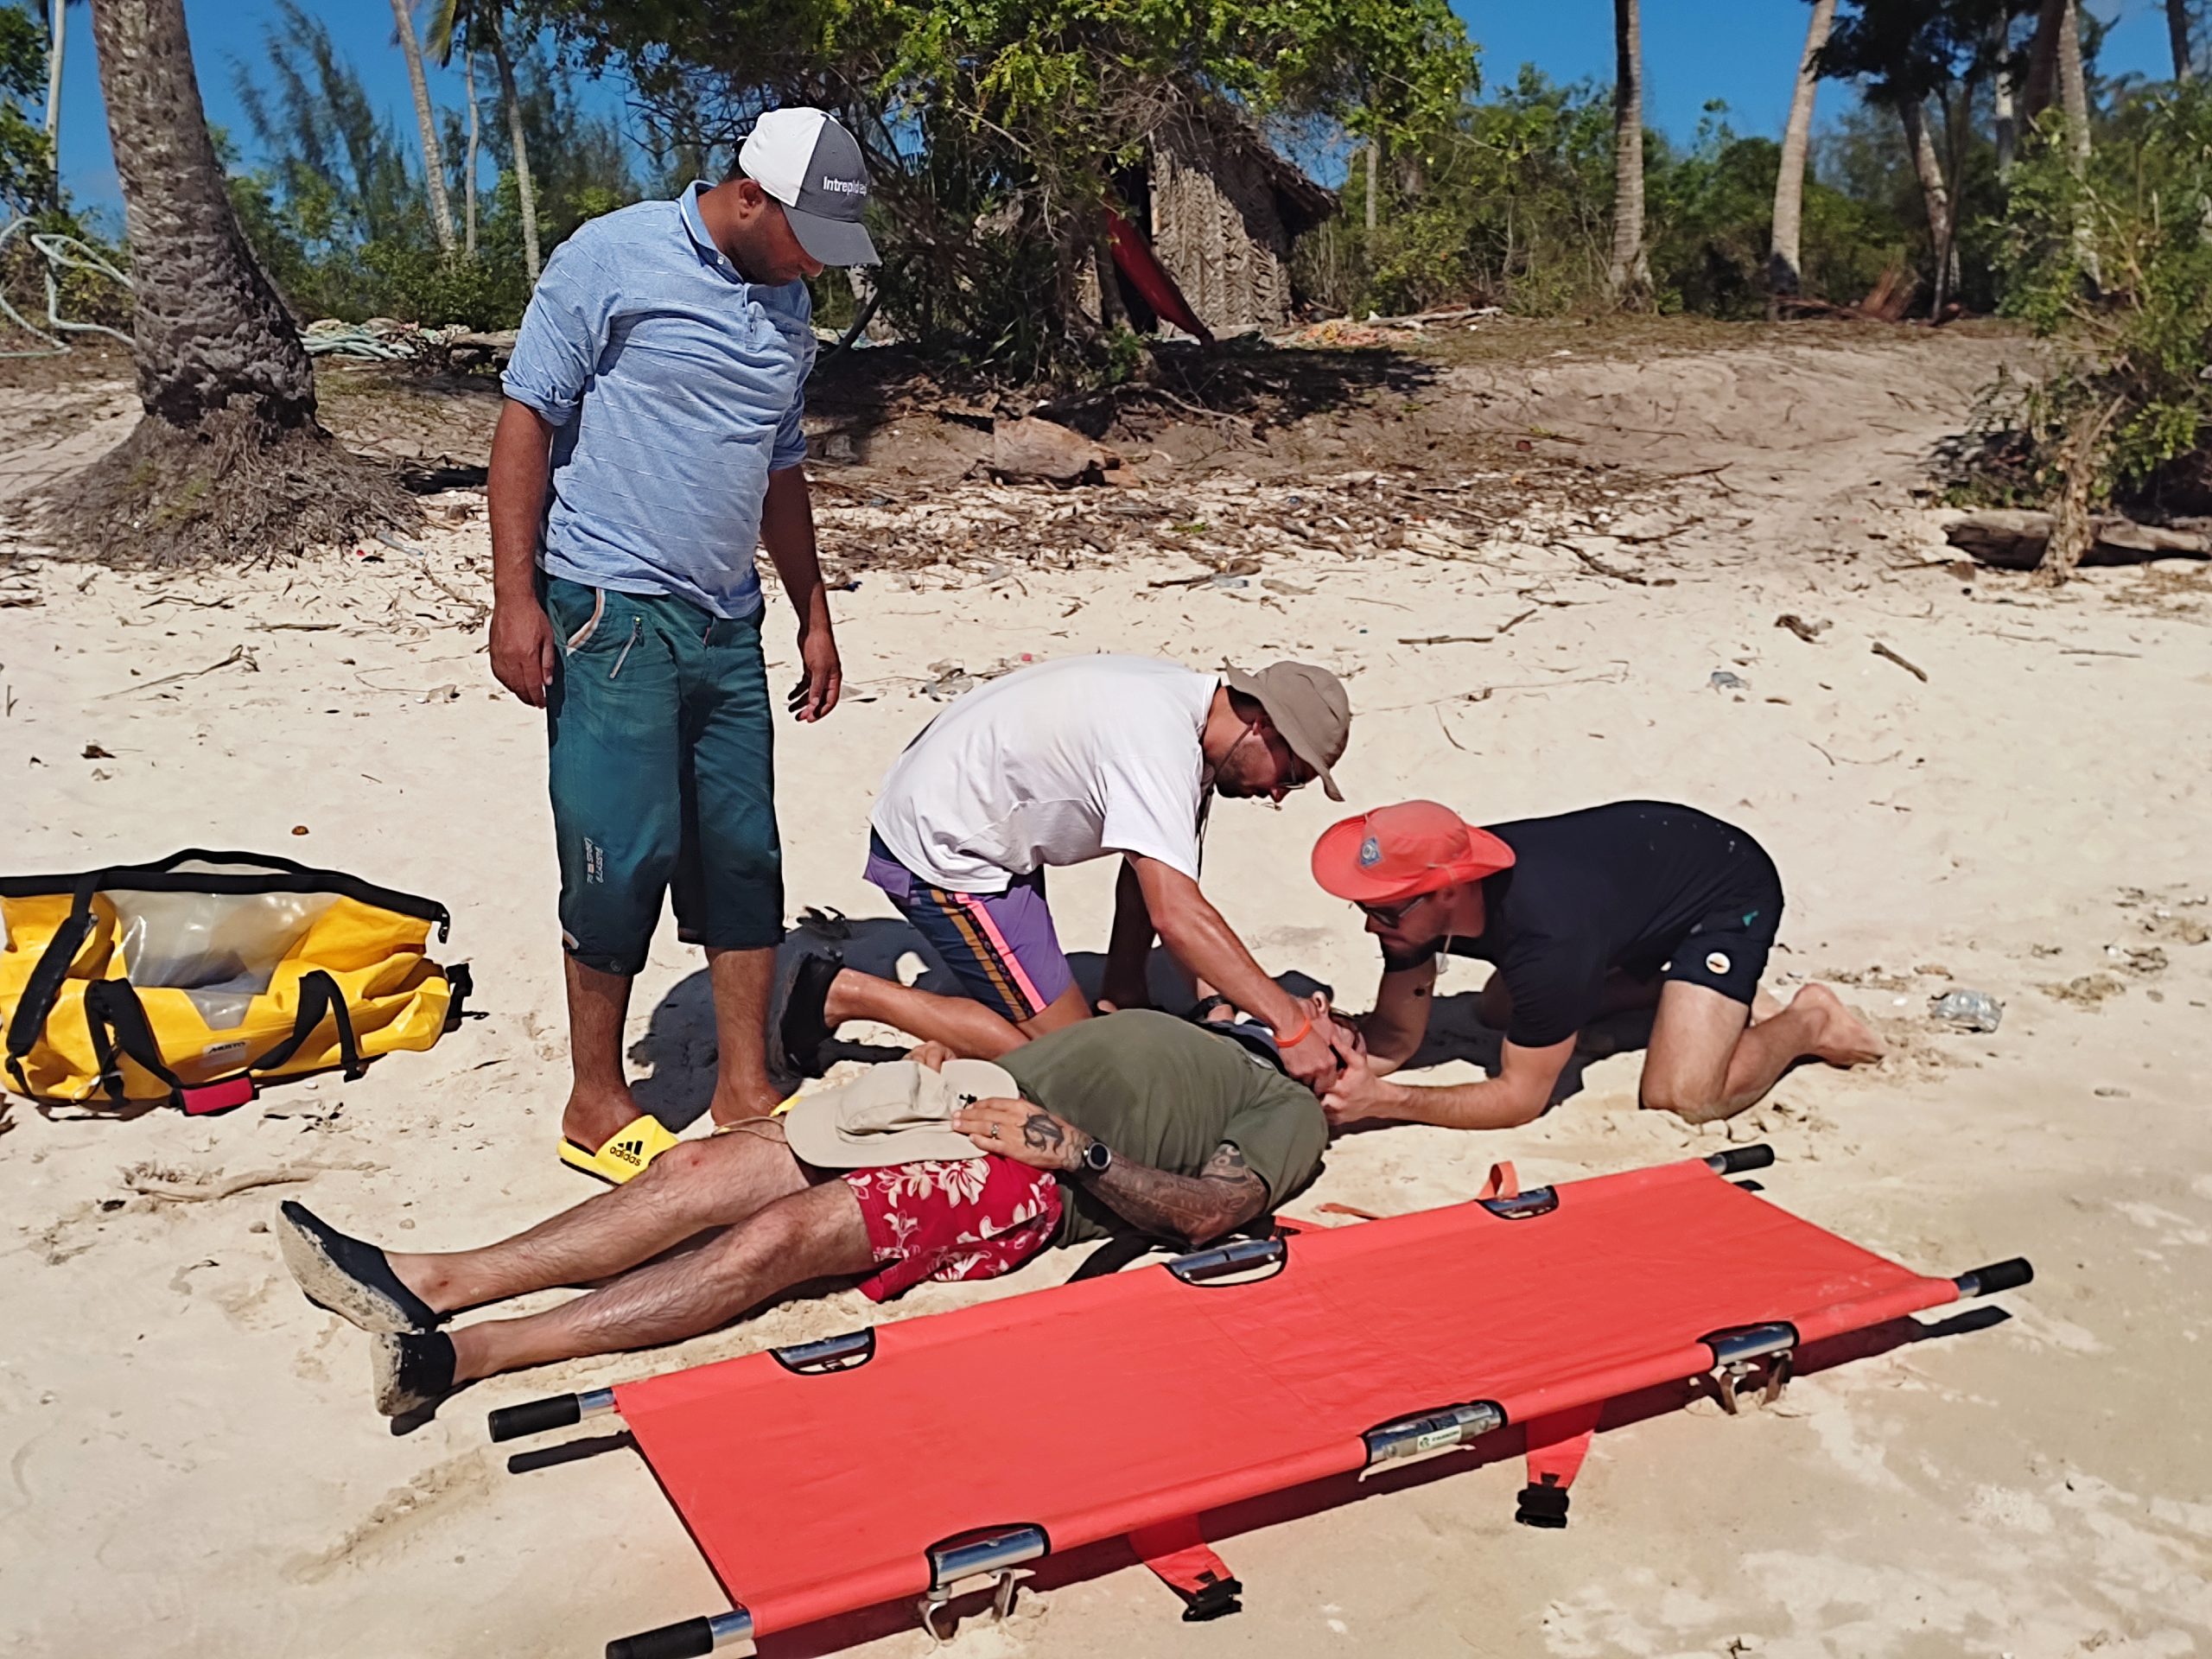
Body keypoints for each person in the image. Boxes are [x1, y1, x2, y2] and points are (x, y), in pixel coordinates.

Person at [274, 1012, 1328, 1418]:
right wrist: (942, 1059)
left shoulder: (1289, 1112)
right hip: (953, 1099)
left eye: (1353, 1042)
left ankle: (473, 1354)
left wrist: (1077, 1151)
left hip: (1031, 1179)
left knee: (780, 1240)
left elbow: (1210, 1214)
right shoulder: (1205, 1025)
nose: (1328, 1024)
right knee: (694, 1171)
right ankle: (437, 1278)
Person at [486, 108, 879, 1183]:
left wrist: (811, 609)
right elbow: (526, 421)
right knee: (620, 852)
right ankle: (595, 1099)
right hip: (610, 609)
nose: (814, 266)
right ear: (749, 197)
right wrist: (515, 599)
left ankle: (745, 1085)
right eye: (805, 238)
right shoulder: (612, 258)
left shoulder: (788, 307)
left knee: (743, 851)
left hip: (725, 619)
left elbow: (779, 467)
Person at [777, 654, 1354, 1093]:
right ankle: (841, 993)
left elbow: (1150, 880)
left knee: (1090, 1033)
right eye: (1292, 776)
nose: (1278, 795)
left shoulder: (1194, 718)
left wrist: (1148, 996)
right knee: (1080, 1067)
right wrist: (1290, 1025)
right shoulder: (1157, 746)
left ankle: (1112, 994)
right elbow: (1177, 915)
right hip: (947, 850)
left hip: (989, 821)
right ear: (1262, 726)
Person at [1310, 799, 1884, 1129]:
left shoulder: (1549, 940)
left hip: (1724, 888)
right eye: (1366, 906)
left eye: (1384, 912)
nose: (1371, 926)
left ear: (1450, 891)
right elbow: (1396, 1038)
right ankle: (1678, 996)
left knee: (1685, 1097)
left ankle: (1810, 1020)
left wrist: (1390, 1101)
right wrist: (1326, 1058)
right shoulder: (1409, 900)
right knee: (1499, 1010)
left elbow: (1521, 1099)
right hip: (1628, 890)